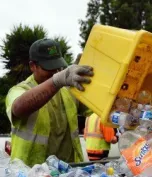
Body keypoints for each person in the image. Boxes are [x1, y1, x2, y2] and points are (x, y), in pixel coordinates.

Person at [5, 38, 94, 167]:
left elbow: (97, 108)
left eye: (58, 67)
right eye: (49, 67)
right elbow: (18, 108)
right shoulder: (19, 90)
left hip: (68, 175)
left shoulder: (67, 90)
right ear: (32, 66)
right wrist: (56, 81)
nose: (55, 72)